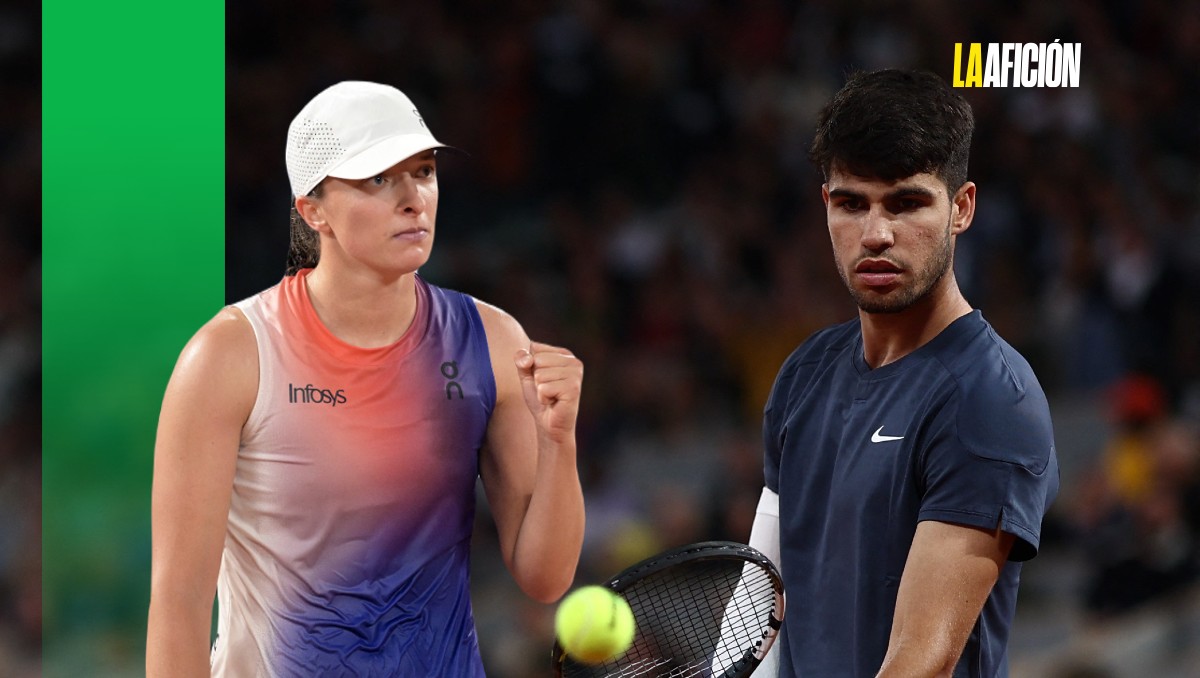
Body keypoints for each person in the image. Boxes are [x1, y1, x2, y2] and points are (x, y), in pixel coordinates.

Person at [146, 81, 586, 677]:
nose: (413, 199)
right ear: (312, 209)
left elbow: (545, 577)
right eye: (378, 178)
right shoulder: (229, 356)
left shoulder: (492, 340)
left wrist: (559, 441)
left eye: (424, 171)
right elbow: (179, 605)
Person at [747, 69, 1060, 676]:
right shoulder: (804, 371)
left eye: (907, 202)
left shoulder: (992, 400)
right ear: (825, 207)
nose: (876, 234)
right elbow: (762, 600)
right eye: (851, 204)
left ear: (961, 208)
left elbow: (921, 664)